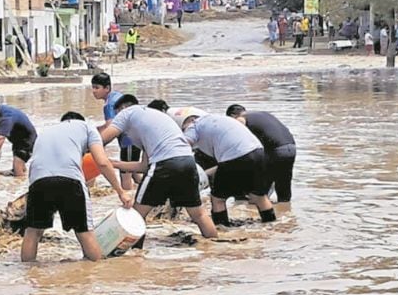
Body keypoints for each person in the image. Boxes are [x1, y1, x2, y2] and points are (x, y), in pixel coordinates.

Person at [100, 95, 217, 240]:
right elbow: (144, 166)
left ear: (122, 109)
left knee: (136, 215)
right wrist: (114, 164)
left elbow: (101, 140)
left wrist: (86, 151)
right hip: (187, 162)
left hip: (164, 164)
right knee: (198, 214)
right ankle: (214, 246)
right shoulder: (153, 119)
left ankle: (134, 256)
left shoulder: (127, 113)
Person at [22, 112, 131, 263]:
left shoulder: (46, 132)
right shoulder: (87, 127)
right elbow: (102, 162)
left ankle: (27, 275)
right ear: (79, 120)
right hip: (70, 181)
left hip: (38, 183)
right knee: (85, 233)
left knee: (32, 232)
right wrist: (121, 191)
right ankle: (92, 273)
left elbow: (35, 166)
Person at [181, 113, 276, 227]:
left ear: (191, 120)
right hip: (258, 151)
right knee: (259, 195)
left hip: (234, 156)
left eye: (183, 128)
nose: (184, 131)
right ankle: (271, 225)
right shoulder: (216, 118)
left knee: (218, 198)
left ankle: (222, 228)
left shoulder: (194, 125)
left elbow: (183, 145)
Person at [227, 104, 296, 213]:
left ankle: (258, 216)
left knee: (258, 191)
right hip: (291, 148)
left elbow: (240, 139)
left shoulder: (241, 118)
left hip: (275, 151)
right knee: (283, 189)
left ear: (232, 116)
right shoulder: (261, 114)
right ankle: (286, 215)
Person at [91, 73, 138, 191]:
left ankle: (128, 204)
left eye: (97, 88)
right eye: (93, 87)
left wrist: (96, 145)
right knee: (135, 174)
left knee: (125, 177)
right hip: (136, 139)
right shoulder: (117, 96)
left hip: (128, 141)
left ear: (107, 88)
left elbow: (110, 129)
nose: (93, 91)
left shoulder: (109, 105)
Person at [0, 93, 37, 177]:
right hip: (17, 141)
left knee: (18, 173)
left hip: (27, 141)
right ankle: (20, 173)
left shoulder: (6, 117)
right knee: (20, 167)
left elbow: (1, 138)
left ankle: (21, 187)